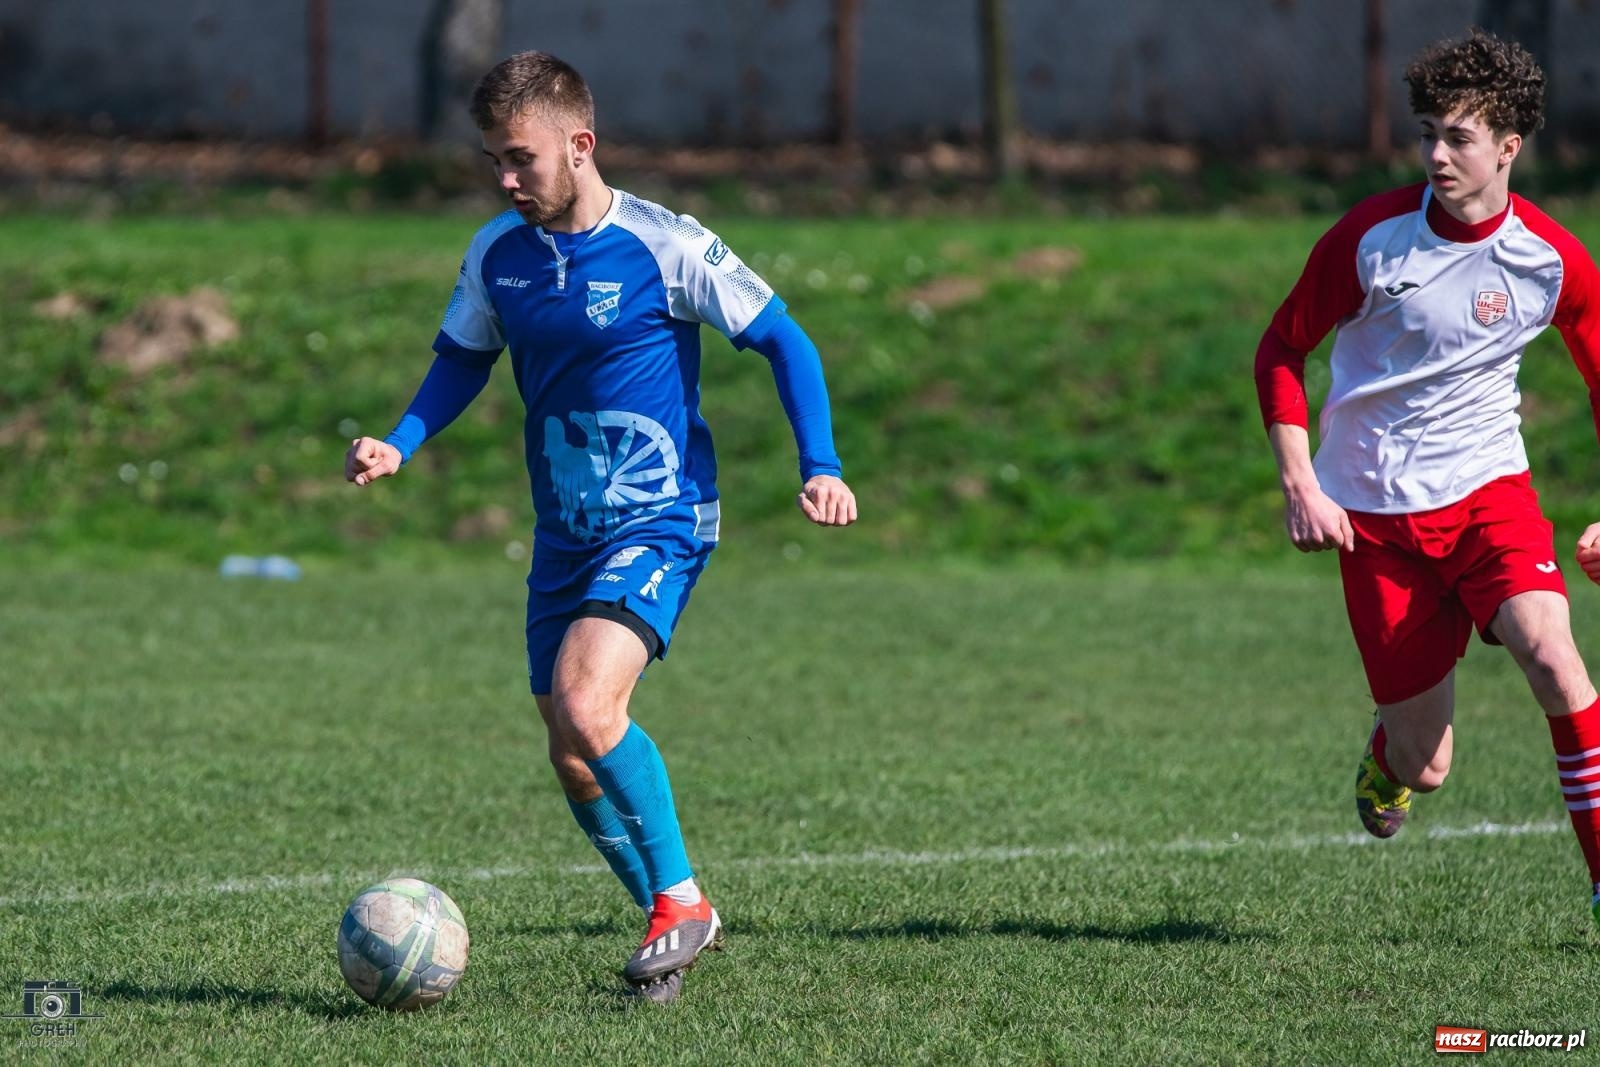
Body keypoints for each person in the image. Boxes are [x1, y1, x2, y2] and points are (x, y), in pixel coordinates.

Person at [344, 50, 857, 1001]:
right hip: (565, 530)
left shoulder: (666, 245)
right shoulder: (497, 253)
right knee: (571, 751)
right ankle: (670, 924)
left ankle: (681, 904)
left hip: (659, 517)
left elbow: (786, 336)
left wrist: (819, 463)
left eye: (519, 159)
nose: (504, 178)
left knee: (589, 702)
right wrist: (402, 440)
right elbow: (464, 358)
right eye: (492, 160)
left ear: (579, 145)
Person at [1254, 28, 1600, 926]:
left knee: (1559, 662)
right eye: (1428, 135)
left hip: (1491, 495)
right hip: (1373, 511)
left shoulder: (1553, 259)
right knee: (1426, 763)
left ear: (1509, 148)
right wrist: (1301, 480)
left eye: (1459, 137)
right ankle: (1389, 758)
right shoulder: (1371, 239)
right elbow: (1282, 349)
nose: (1436, 154)